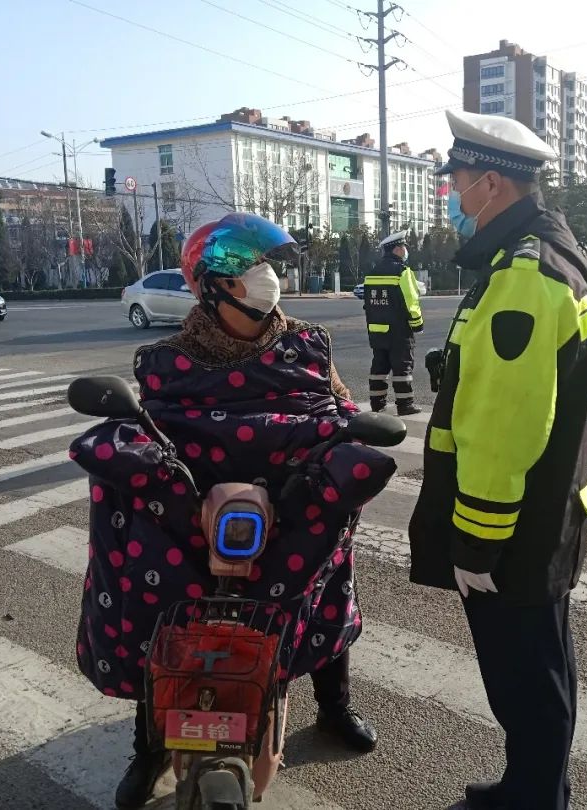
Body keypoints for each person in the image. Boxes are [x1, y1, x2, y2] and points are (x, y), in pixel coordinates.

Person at [71, 214, 381, 810]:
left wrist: (347, 442)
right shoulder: (165, 360)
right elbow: (149, 434)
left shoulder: (308, 345)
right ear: (213, 287)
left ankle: (334, 707)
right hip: (190, 520)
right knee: (162, 619)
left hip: (289, 513)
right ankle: (150, 746)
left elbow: (340, 409)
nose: (266, 279)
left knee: (322, 592)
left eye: (265, 267)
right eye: (248, 271)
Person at [408, 110, 587, 810]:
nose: (454, 193)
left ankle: (533, 798)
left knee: (523, 676)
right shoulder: (542, 256)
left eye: (459, 180)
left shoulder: (524, 274)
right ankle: (534, 786)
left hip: (513, 524)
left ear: (492, 183)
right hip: (546, 504)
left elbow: (503, 430)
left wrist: (476, 542)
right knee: (543, 669)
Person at [363, 230, 424, 416]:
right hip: (399, 330)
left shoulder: (371, 273)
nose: (405, 250)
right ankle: (405, 405)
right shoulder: (402, 272)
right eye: (403, 247)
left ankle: (377, 404)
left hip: (376, 329)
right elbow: (411, 301)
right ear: (397, 249)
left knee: (379, 367)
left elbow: (368, 303)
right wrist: (417, 324)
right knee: (402, 367)